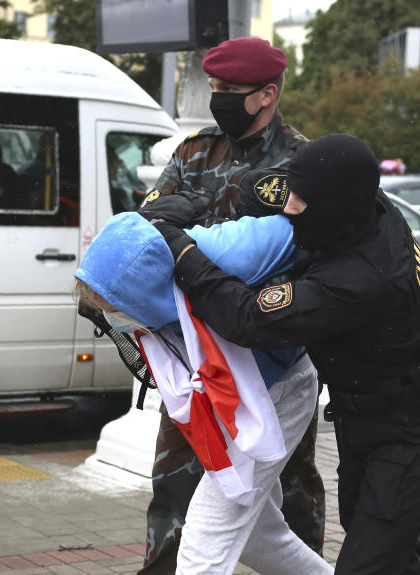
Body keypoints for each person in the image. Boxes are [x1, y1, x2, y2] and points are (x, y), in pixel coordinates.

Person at [152, 134, 420, 574]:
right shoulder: (360, 201)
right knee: (385, 557)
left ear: (331, 205)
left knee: (366, 566)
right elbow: (263, 189)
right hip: (369, 417)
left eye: (301, 200)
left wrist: (184, 251)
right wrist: (204, 212)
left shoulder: (360, 278)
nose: (289, 207)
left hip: (414, 429)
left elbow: (246, 319)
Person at [75, 175, 332, 575]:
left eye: (117, 307)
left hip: (282, 387)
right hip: (251, 391)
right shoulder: (156, 282)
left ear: (143, 286)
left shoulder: (231, 250)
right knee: (259, 536)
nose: (119, 320)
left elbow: (310, 232)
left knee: (203, 539)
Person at [136, 37, 323, 574]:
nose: (217, 99)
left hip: (274, 356)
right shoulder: (195, 151)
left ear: (267, 94)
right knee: (175, 481)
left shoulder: (304, 161)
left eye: (230, 91)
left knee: (292, 486)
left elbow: (318, 257)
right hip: (195, 353)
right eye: (214, 88)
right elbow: (146, 230)